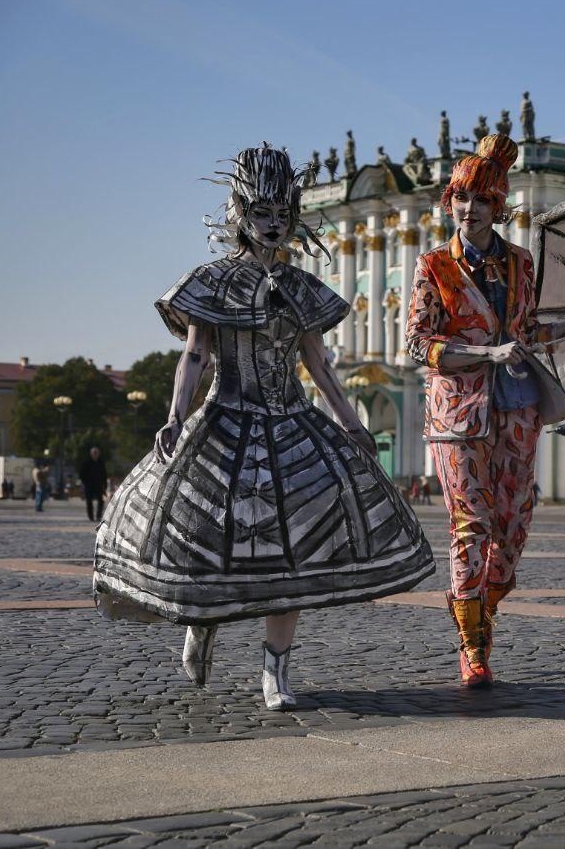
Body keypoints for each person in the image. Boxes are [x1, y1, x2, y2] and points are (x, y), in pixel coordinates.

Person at [92, 144, 435, 711]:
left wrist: (353, 429)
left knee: (294, 551)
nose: (273, 224)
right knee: (201, 531)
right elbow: (196, 356)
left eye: (282, 214)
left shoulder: (301, 289)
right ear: (240, 216)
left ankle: (275, 672)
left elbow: (319, 366)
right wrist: (176, 416)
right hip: (226, 421)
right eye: (261, 213)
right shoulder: (211, 282)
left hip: (293, 425)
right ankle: (201, 624)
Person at [405, 133, 565, 688]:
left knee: (514, 527)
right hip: (457, 416)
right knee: (471, 525)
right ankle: (473, 645)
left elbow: (530, 330)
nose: (469, 210)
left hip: (518, 407)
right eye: (460, 199)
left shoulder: (520, 263)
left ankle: (483, 610)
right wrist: (482, 352)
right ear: (449, 203)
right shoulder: (434, 268)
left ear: (498, 206)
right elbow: (418, 344)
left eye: (481, 200)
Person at [79, 446, 108, 522]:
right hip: (89, 485)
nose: (95, 454)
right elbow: (81, 474)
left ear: (99, 454)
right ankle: (91, 516)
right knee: (89, 501)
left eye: (96, 453)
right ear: (91, 453)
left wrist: (105, 484)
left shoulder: (101, 463)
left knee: (101, 501)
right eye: (94, 453)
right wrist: (85, 482)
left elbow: (104, 474)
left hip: (98, 485)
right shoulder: (86, 463)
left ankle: (98, 515)